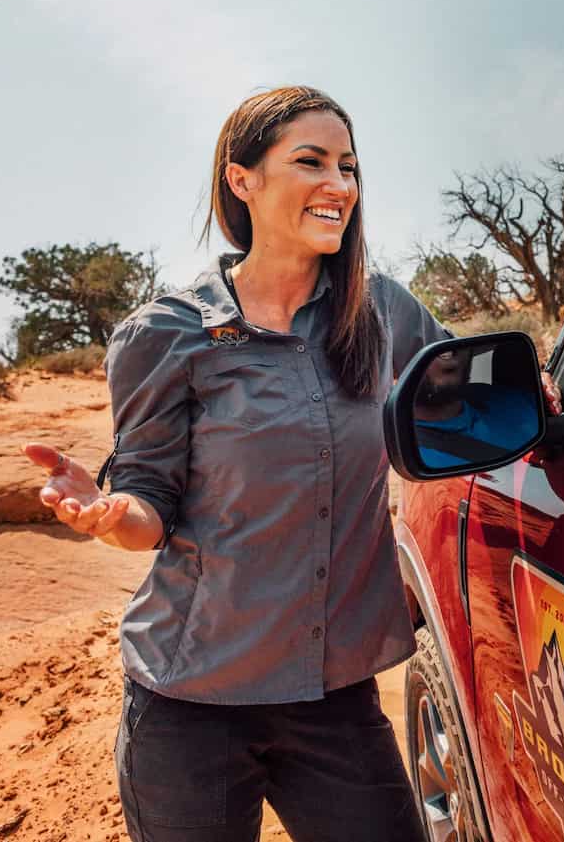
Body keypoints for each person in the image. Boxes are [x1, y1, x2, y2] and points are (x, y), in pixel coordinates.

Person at [22, 86, 445, 842]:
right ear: (241, 178)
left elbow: (464, 386)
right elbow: (149, 499)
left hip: (333, 698)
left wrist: (540, 386)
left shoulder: (382, 310)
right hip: (190, 705)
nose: (339, 185)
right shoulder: (167, 332)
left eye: (348, 166)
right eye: (311, 161)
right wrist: (112, 515)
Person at [412, 347, 540, 468]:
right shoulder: (412, 455)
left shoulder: (506, 397)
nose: (448, 354)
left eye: (454, 345)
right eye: (423, 347)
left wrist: (543, 388)